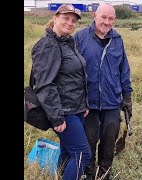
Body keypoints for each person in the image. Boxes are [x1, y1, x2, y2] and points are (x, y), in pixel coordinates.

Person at [30, 4, 91, 180]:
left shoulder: (67, 42)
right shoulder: (47, 45)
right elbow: (44, 85)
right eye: (66, 18)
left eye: (74, 20)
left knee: (67, 151)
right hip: (64, 112)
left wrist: (83, 104)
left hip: (76, 109)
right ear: (55, 18)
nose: (70, 23)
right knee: (82, 155)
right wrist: (57, 117)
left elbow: (75, 77)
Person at [74, 3, 133, 180]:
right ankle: (89, 175)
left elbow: (124, 70)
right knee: (89, 143)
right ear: (94, 16)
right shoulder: (80, 38)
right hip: (88, 104)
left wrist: (127, 97)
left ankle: (104, 175)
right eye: (103, 17)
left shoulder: (118, 39)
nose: (107, 22)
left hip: (112, 103)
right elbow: (72, 71)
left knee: (108, 145)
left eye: (111, 18)